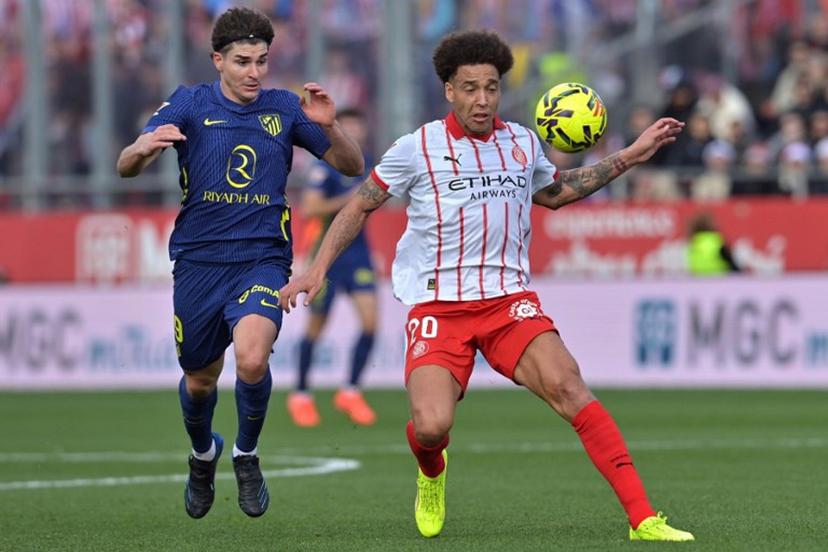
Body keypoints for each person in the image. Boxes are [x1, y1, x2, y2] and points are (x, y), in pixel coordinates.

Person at [280, 30, 694, 542]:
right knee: (430, 427)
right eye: (470, 88)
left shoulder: (521, 143)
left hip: (508, 302)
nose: (482, 99)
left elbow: (557, 193)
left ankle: (643, 518)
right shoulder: (416, 147)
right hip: (439, 306)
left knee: (570, 387)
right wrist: (317, 269)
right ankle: (432, 470)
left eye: (492, 88)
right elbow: (360, 203)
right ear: (449, 90)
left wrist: (630, 155)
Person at [116, 7, 363, 519]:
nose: (255, 72)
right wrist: (141, 149)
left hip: (263, 259)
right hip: (199, 263)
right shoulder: (188, 102)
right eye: (243, 62)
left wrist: (332, 126)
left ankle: (246, 456)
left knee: (252, 357)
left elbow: (352, 166)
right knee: (200, 379)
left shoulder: (285, 108)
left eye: (262, 61)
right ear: (218, 61)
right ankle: (203, 453)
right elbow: (126, 167)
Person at [288, 108, 378, 427]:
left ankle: (350, 391)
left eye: (359, 125)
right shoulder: (324, 167)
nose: (355, 131)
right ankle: (300, 395)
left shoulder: (366, 163)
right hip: (326, 254)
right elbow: (311, 207)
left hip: (359, 254)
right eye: (348, 125)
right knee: (316, 327)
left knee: (370, 322)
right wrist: (354, 198)